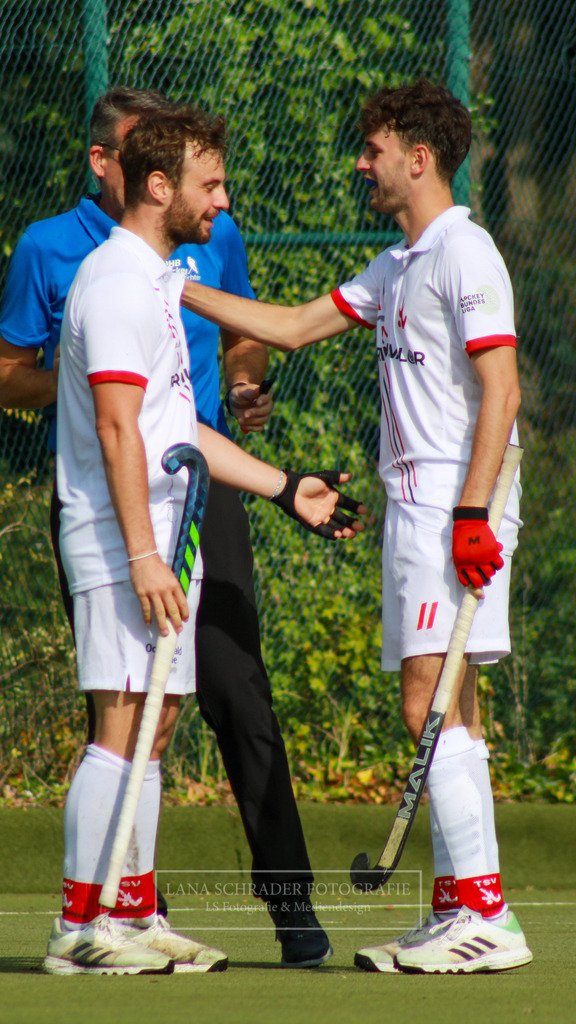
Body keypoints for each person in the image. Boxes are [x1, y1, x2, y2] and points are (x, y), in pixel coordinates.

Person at [177, 78, 533, 975]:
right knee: (454, 706)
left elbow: (503, 389)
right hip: (421, 504)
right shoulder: (398, 262)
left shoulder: (466, 252)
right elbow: (293, 327)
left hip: (455, 499)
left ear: (419, 159)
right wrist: (182, 291)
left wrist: (471, 513)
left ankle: (484, 915)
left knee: (424, 699)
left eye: (372, 151)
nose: (359, 163)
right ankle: (462, 906)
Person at [0, 86, 335, 968]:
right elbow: (116, 427)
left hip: (163, 532)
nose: (224, 203)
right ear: (158, 187)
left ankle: (133, 914)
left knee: (155, 722)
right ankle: (81, 928)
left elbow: (173, 427)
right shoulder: (112, 281)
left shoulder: (158, 280)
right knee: (120, 724)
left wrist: (281, 485)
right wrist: (143, 554)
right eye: (211, 185)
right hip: (122, 540)